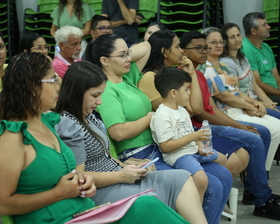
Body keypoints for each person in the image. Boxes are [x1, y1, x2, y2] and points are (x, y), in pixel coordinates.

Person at [0, 52, 195, 224]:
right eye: (53, 80)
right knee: (147, 207)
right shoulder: (13, 136)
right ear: (32, 87)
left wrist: (84, 182)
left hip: (81, 211)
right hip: (56, 219)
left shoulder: (48, 123)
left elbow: (71, 175)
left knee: (148, 204)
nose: (59, 86)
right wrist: (58, 193)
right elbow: (3, 205)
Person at [85, 33, 233, 224]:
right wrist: (150, 118)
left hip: (160, 145)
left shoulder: (126, 77)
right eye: (122, 55)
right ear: (104, 60)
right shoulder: (106, 89)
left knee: (224, 175)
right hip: (140, 153)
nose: (129, 58)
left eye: (128, 53)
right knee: (211, 185)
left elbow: (146, 46)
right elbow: (118, 132)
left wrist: (121, 50)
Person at [54, 60, 208, 224]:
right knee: (151, 200)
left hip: (116, 175)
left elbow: (103, 156)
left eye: (101, 95)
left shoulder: (87, 115)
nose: (100, 102)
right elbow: (79, 177)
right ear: (76, 93)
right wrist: (120, 175)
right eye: (95, 95)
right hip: (101, 190)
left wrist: (124, 165)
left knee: (182, 177)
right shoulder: (68, 124)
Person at [180, 31, 280, 217]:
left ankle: (257, 191)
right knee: (255, 138)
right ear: (183, 51)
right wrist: (238, 126)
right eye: (199, 48)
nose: (205, 51)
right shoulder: (182, 75)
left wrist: (235, 123)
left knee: (259, 133)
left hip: (210, 120)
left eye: (206, 47)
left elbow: (212, 108)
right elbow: (201, 113)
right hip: (198, 127)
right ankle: (263, 200)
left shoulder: (200, 74)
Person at [197, 27, 280, 172]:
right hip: (228, 111)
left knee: (276, 126)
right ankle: (259, 176)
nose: (219, 45)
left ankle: (260, 173)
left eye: (221, 42)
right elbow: (224, 96)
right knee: (269, 130)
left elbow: (236, 91)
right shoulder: (206, 68)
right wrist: (251, 106)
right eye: (213, 42)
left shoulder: (222, 65)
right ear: (204, 45)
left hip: (238, 107)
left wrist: (256, 103)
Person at [150, 66, 227, 202]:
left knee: (223, 159)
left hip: (192, 151)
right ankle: (197, 207)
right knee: (201, 179)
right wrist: (194, 137)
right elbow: (165, 147)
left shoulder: (182, 110)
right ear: (174, 93)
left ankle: (221, 201)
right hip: (179, 155)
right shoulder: (162, 115)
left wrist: (199, 145)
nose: (189, 93)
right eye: (186, 89)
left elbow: (190, 133)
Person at [219, 23, 280, 120]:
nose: (237, 39)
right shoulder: (226, 62)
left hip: (255, 101)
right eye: (232, 37)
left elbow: (255, 86)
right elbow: (237, 93)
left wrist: (270, 104)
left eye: (238, 35)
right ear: (226, 41)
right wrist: (263, 104)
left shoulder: (242, 57)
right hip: (246, 106)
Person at [242, 12, 280, 105]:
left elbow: (276, 76)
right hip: (262, 95)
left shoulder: (266, 46)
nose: (269, 27)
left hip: (275, 92)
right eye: (264, 25)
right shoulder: (246, 49)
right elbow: (258, 83)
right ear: (254, 31)